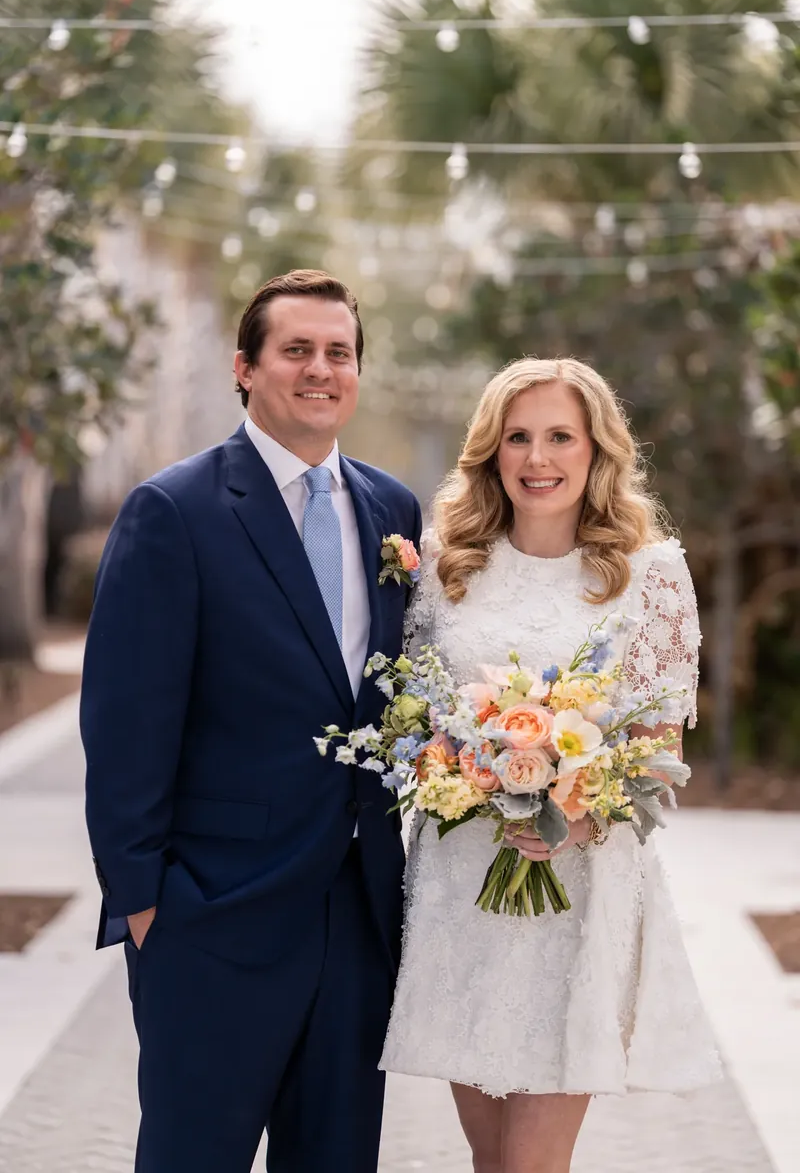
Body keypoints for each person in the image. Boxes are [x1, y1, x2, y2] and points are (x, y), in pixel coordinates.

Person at [82, 269, 422, 1173]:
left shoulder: (395, 512)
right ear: (246, 367)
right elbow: (123, 729)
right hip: (211, 919)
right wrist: (149, 907)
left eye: (339, 352)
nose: (321, 369)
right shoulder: (174, 511)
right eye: (297, 350)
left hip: (355, 919)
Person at [380, 358, 721, 1173]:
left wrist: (579, 813)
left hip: (580, 885)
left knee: (533, 1165)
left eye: (560, 436)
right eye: (518, 437)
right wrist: (465, 772)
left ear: (598, 448)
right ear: (491, 453)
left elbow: (661, 747)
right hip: (461, 887)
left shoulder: (651, 574)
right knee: (491, 1160)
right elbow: (414, 715)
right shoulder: (446, 567)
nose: (538, 458)